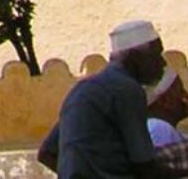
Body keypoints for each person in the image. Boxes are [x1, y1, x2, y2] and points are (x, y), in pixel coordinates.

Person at [36, 19, 167, 179]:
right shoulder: (126, 89)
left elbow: (47, 153)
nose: (162, 63)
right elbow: (144, 163)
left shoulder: (83, 90)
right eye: (156, 55)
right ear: (135, 57)